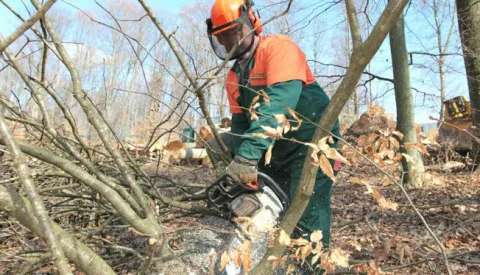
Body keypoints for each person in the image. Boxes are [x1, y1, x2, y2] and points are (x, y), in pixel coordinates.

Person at [206, 0, 340, 253]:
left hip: (310, 143)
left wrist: (247, 157)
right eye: (221, 36)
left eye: (230, 32)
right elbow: (240, 125)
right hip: (274, 146)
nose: (226, 41)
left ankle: (312, 268)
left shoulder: (278, 48)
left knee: (305, 214)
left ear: (250, 22)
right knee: (218, 143)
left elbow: (278, 105)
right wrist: (236, 170)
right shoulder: (234, 76)